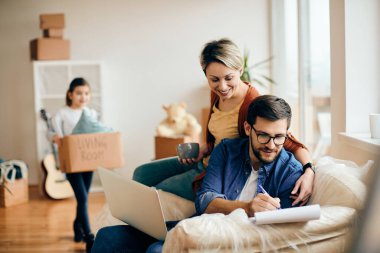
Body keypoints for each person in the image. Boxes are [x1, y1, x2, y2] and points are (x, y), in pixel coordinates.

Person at [92, 95, 306, 253]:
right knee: (107, 237)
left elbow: (280, 235)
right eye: (263, 136)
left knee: (157, 251)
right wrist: (247, 208)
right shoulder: (226, 150)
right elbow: (204, 200)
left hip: (223, 242)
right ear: (248, 128)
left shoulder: (290, 172)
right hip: (196, 226)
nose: (271, 145)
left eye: (279, 137)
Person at [133, 38, 314, 205]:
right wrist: (204, 148)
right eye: (214, 79)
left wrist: (309, 170)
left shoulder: (252, 102)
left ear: (240, 71)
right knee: (141, 174)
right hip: (204, 160)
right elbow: (219, 135)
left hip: (217, 173)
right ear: (206, 74)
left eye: (229, 78)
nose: (222, 86)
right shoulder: (217, 94)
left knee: (155, 192)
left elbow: (288, 141)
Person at [51, 77, 96, 252]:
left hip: (87, 161)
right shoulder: (62, 113)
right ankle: (89, 236)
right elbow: (51, 132)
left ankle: (77, 226)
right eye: (79, 93)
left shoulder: (90, 113)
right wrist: (53, 137)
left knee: (82, 198)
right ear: (70, 95)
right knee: (83, 198)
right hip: (71, 162)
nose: (83, 97)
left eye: (86, 93)